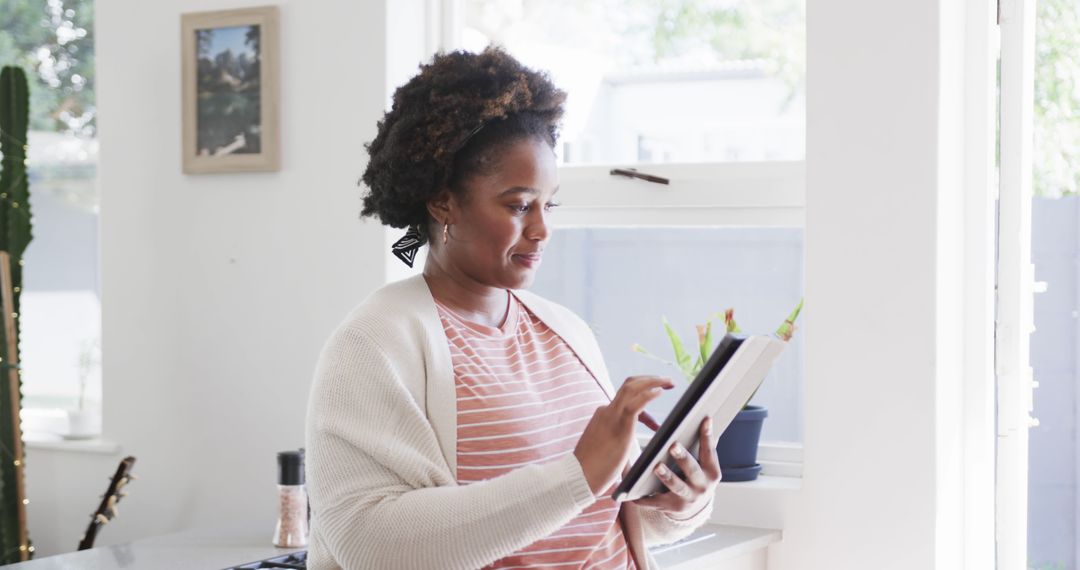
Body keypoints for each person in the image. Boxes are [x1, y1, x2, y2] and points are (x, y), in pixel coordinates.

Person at [304, 47, 720, 570]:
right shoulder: (374, 343)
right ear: (443, 202)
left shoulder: (564, 330)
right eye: (519, 205)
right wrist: (577, 474)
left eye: (551, 205)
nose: (542, 229)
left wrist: (681, 501)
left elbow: (605, 514)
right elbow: (371, 545)